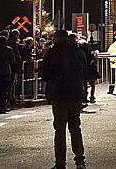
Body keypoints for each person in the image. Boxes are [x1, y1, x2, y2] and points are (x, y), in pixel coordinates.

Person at [40, 30, 88, 169]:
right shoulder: (78, 52)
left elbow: (45, 74)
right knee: (75, 127)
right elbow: (84, 72)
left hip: (59, 95)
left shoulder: (53, 53)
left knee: (60, 130)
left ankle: (60, 162)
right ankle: (80, 160)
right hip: (75, 94)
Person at [81, 39, 99, 104]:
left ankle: (84, 98)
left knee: (84, 85)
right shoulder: (91, 54)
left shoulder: (81, 53)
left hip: (84, 71)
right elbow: (94, 62)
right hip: (91, 71)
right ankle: (91, 97)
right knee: (92, 85)